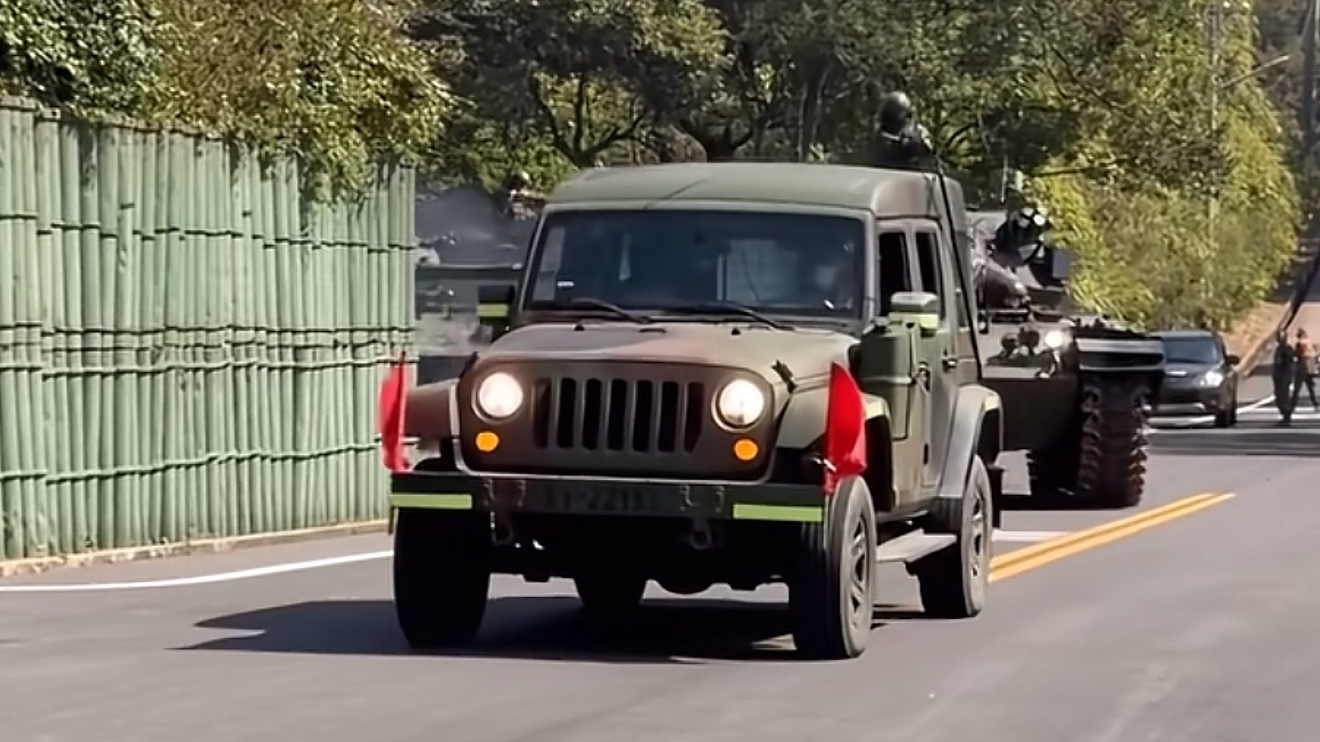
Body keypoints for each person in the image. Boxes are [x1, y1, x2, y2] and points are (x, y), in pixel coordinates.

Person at [1272, 329, 1297, 425]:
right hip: (1280, 375)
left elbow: (1289, 364)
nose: (1278, 338)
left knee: (1283, 396)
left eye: (1280, 336)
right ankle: (1285, 416)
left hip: (1284, 375)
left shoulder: (1286, 349)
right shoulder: (1280, 348)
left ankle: (1286, 416)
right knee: (1280, 396)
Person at [1291, 327, 1318, 411]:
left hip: (1301, 367)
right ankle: (1316, 404)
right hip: (1310, 367)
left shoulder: (1300, 344)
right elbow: (1315, 352)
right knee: (1310, 388)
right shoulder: (1309, 342)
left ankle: (1292, 405)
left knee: (1297, 388)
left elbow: (1297, 354)